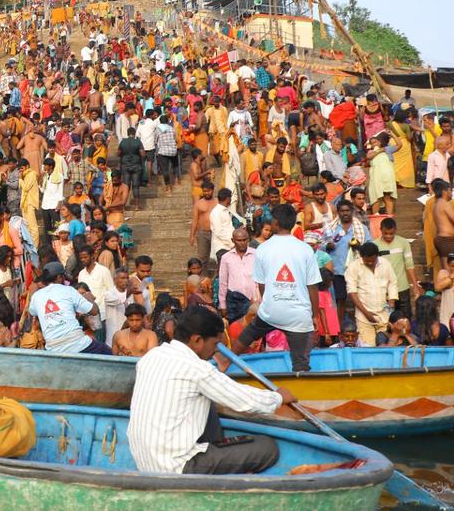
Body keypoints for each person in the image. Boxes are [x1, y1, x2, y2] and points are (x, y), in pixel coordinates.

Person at [129, 307, 293, 475]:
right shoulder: (197, 369)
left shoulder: (151, 357)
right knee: (267, 447)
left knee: (209, 407)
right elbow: (244, 401)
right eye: (215, 344)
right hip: (178, 467)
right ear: (197, 340)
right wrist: (278, 397)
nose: (216, 350)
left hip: (144, 462)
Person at [234, 204, 321, 372]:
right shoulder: (305, 249)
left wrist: (268, 302)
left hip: (271, 310)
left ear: (275, 223)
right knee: (301, 363)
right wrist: (315, 315)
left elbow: (261, 285)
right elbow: (312, 286)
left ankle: (224, 362)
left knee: (245, 338)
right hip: (298, 313)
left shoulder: (263, 248)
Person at [26, 263, 109, 354]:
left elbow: (32, 312)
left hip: (53, 348)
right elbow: (94, 311)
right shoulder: (69, 290)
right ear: (59, 277)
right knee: (108, 353)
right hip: (77, 343)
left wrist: (33, 293)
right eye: (63, 276)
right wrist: (90, 299)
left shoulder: (37, 296)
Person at [345, 242, 398, 347]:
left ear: (377, 256)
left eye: (372, 261)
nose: (370, 263)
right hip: (363, 317)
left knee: (386, 346)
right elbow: (352, 292)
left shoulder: (385, 263)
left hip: (384, 314)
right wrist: (366, 314)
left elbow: (392, 283)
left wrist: (391, 303)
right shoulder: (353, 267)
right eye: (367, 261)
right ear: (361, 256)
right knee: (368, 347)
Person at [373, 217, 421, 317]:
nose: (388, 236)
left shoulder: (404, 243)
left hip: (402, 286)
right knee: (386, 318)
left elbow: (409, 264)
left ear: (395, 230)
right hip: (383, 287)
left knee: (406, 317)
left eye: (391, 234)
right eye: (386, 233)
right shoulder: (374, 245)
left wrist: (415, 286)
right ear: (380, 230)